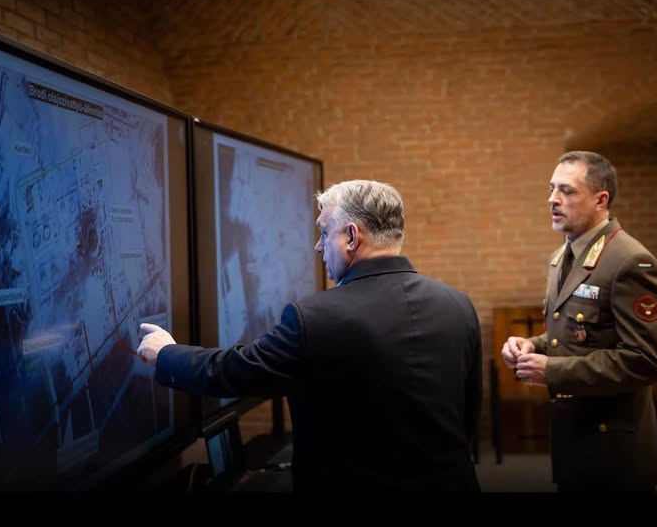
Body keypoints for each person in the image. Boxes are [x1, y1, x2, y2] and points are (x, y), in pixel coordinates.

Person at [139, 179, 482, 492]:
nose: (318, 246)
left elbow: (237, 371)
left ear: (351, 237)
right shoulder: (458, 305)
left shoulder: (316, 318)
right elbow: (468, 416)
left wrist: (167, 353)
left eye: (324, 232)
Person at [501, 151, 657, 491]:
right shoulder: (560, 257)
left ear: (600, 200)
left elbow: (646, 360)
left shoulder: (629, 261)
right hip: (573, 442)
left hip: (615, 452)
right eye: (551, 188)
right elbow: (576, 333)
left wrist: (552, 371)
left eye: (567, 190)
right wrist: (531, 346)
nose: (552, 199)